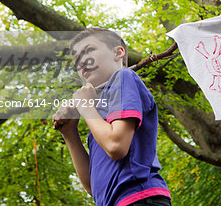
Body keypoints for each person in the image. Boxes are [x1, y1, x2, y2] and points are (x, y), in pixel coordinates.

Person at [53, 28, 171, 206]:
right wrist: (69, 132)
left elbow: (115, 146)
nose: (82, 61)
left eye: (89, 50)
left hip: (140, 198)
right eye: (76, 59)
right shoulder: (101, 119)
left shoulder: (124, 77)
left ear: (118, 53)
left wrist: (85, 106)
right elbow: (93, 188)